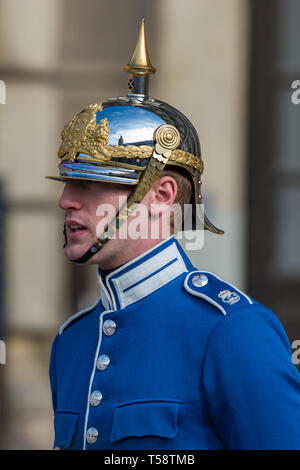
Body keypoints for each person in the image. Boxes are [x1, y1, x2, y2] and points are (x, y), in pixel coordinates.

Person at [47, 21, 300, 450]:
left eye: (91, 184)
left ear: (161, 195)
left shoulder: (232, 330)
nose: (66, 201)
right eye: (68, 183)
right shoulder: (71, 342)